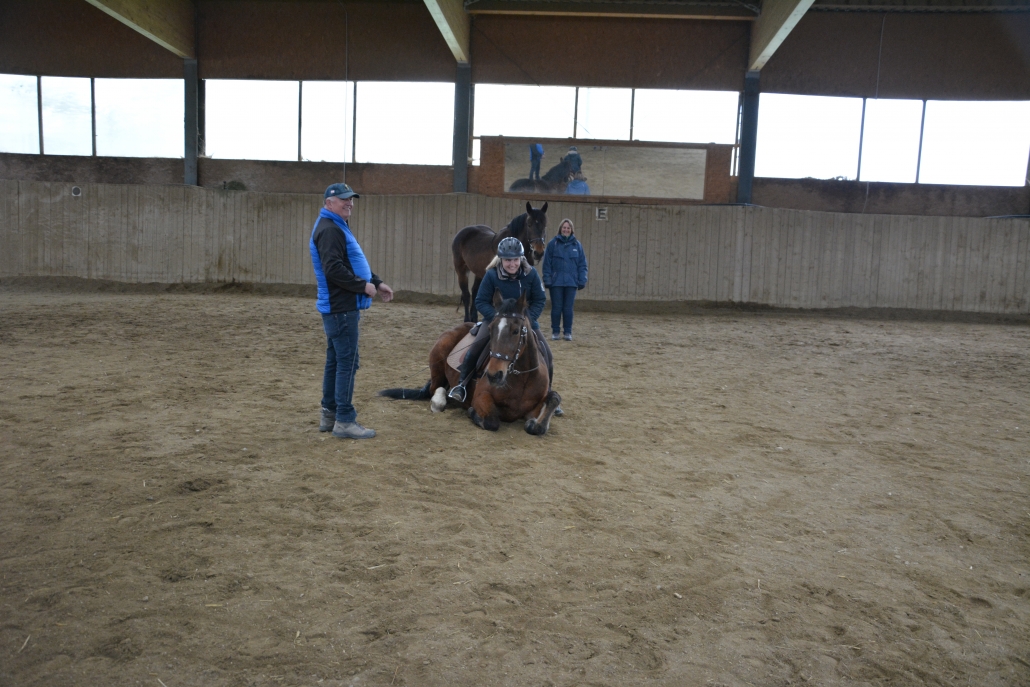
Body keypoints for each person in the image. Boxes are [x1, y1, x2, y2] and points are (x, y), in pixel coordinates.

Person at [310, 182, 394, 439]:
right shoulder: (330, 230)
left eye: (351, 199)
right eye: (343, 199)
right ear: (329, 204)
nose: (349, 203)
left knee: (336, 361)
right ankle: (344, 419)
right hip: (341, 307)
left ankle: (330, 414)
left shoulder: (334, 226)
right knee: (347, 362)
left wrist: (376, 282)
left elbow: (351, 262)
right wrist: (363, 287)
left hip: (339, 306)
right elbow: (333, 269)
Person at [447, 237, 548, 403]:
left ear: (521, 258)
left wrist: (527, 319)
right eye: (507, 260)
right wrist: (498, 319)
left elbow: (540, 300)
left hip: (524, 322)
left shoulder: (531, 275)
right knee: (476, 347)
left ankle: (548, 391)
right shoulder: (492, 275)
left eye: (515, 260)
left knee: (547, 353)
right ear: (501, 259)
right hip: (496, 322)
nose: (512, 264)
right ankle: (462, 385)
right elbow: (480, 300)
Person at [542, 218, 588, 341]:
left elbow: (582, 264)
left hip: (571, 283)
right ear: (560, 229)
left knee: (568, 308)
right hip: (556, 283)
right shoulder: (553, 244)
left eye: (568, 228)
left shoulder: (577, 246)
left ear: (571, 230)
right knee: (556, 308)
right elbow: (547, 264)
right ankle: (555, 332)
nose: (566, 230)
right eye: (564, 227)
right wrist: (547, 279)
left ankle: (567, 332)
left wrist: (582, 279)